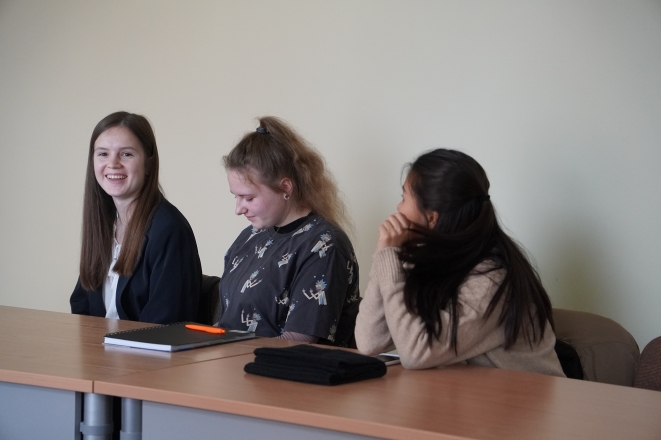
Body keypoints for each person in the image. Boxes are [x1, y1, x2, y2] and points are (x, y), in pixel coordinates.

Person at [355, 149, 565, 376]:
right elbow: (370, 341)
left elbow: (415, 353)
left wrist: (388, 257)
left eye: (404, 197)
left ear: (432, 218)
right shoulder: (428, 258)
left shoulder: (492, 277)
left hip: (527, 396)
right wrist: (389, 255)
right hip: (473, 393)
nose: (398, 208)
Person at [218, 116, 360, 345]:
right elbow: (228, 324)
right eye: (236, 196)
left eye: (249, 198)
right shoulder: (249, 237)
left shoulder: (324, 245)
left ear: (285, 187)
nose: (238, 209)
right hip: (234, 361)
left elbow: (298, 341)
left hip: (283, 366)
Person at [70, 111, 201, 324]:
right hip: (99, 345)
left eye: (126, 154)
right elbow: (81, 306)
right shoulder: (104, 225)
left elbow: (166, 324)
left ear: (148, 163)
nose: (113, 164)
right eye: (103, 154)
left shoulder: (169, 230)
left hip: (146, 346)